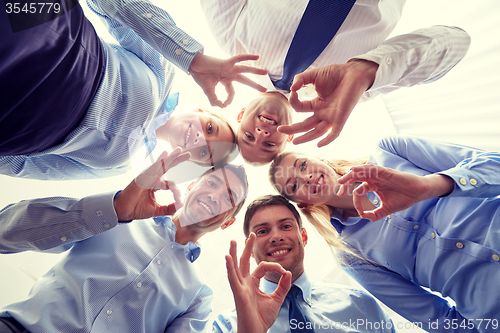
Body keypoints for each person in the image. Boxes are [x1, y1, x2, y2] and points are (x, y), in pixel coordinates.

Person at [0, 0, 268, 180]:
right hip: (59, 42)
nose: (198, 138)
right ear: (201, 110)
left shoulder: (120, 167)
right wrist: (192, 59)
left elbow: (25, 166)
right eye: (210, 129)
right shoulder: (164, 71)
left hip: (18, 123)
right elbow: (115, 5)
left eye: (203, 153)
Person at [0, 148, 249, 333]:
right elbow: (5, 233)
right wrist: (115, 210)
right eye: (212, 183)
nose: (215, 196)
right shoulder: (115, 216)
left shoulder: (199, 298)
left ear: (228, 222)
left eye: (229, 198)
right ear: (193, 185)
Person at [268, 135, 500, 333]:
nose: (306, 178)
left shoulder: (389, 151)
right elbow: (436, 319)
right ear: (302, 203)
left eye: (302, 166)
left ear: (320, 159)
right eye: (294, 186)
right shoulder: (351, 256)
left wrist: (430, 186)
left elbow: (494, 165)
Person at [200, 0, 471, 163]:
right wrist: (366, 70)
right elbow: (457, 42)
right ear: (290, 136)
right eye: (269, 144)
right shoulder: (348, 94)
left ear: (240, 114)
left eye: (248, 136)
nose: (261, 134)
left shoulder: (231, 39)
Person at [215, 194, 396, 333]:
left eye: (286, 226)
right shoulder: (227, 325)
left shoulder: (360, 304)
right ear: (250, 248)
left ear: (304, 236)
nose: (276, 237)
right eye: (262, 231)